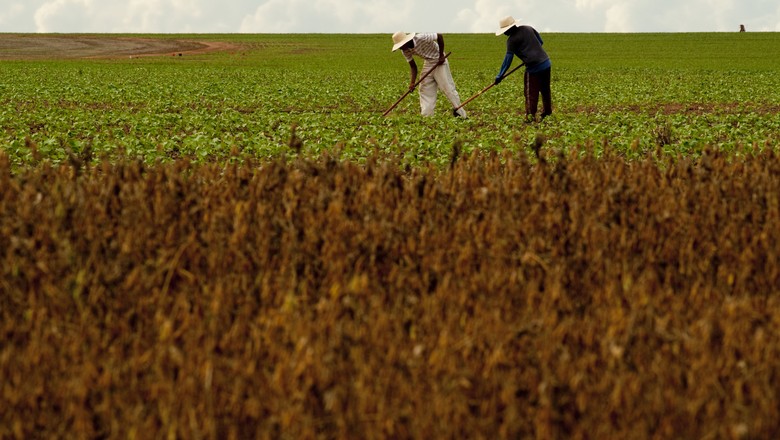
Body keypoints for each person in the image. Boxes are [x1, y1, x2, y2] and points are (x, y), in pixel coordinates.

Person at [391, 32, 467, 118]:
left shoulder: (421, 37)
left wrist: (441, 55)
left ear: (406, 42)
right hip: (428, 62)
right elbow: (413, 66)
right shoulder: (405, 51)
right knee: (424, 88)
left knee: (447, 88)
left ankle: (461, 114)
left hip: (439, 60)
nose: (400, 48)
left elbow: (439, 36)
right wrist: (412, 83)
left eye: (401, 45)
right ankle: (427, 117)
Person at [493, 16, 552, 122]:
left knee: (530, 93)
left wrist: (500, 75)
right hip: (546, 63)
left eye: (505, 31)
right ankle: (547, 113)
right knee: (545, 90)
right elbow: (541, 42)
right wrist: (531, 52)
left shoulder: (511, 40)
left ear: (509, 29)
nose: (504, 34)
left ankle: (530, 117)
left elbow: (508, 60)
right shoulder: (528, 28)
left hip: (534, 67)